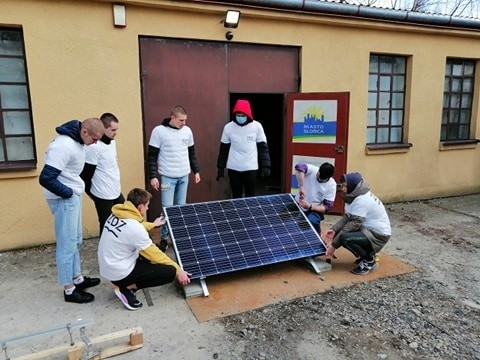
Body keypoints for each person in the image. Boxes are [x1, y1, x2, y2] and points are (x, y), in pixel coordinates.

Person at [39, 117, 104, 303]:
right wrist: (68, 193)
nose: (95, 143)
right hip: (64, 200)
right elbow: (46, 178)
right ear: (84, 132)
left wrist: (73, 192)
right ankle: (69, 290)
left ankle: (77, 279)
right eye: (94, 138)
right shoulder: (63, 146)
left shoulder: (77, 142)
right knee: (66, 244)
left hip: (72, 197)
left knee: (75, 240)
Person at [97, 188, 191, 310]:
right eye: (147, 206)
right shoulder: (134, 228)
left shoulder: (118, 213)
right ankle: (127, 288)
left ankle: (123, 282)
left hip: (109, 265)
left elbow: (134, 227)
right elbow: (154, 254)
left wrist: (153, 224)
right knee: (169, 272)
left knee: (148, 250)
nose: (147, 209)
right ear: (140, 207)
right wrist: (178, 270)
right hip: (118, 272)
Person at [147, 105, 201, 250]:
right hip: (167, 178)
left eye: (185, 120)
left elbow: (191, 153)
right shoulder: (159, 131)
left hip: (184, 176)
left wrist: (196, 171)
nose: (184, 123)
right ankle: (164, 238)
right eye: (181, 120)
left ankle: (178, 237)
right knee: (167, 209)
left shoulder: (187, 131)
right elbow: (152, 156)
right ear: (172, 118)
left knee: (180, 209)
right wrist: (153, 176)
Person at [324, 172, 391, 275]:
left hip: (378, 235)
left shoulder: (362, 200)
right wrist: (334, 229)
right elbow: (348, 217)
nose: (343, 189)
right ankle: (368, 254)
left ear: (352, 186)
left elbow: (354, 223)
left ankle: (369, 261)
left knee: (345, 238)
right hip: (367, 230)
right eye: (342, 185)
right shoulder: (352, 196)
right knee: (339, 234)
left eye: (345, 186)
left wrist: (333, 246)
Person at [216, 99, 271, 198]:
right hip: (233, 168)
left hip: (250, 168)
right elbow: (224, 149)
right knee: (236, 197)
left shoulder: (257, 127)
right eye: (238, 116)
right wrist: (220, 167)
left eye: (243, 116)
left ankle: (249, 213)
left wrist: (266, 165)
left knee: (250, 197)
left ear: (248, 115)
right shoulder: (228, 127)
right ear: (234, 115)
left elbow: (263, 148)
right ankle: (238, 214)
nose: (240, 118)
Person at [80, 113, 124, 235]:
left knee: (127, 218)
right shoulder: (94, 147)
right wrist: (90, 193)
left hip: (115, 190)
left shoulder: (112, 142)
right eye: (113, 130)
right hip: (102, 193)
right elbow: (86, 174)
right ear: (103, 129)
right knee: (106, 225)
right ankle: (105, 252)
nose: (116, 133)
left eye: (117, 129)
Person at [294, 162, 336, 233]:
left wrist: (310, 206)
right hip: (298, 203)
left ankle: (317, 239)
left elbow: (327, 207)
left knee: (312, 221)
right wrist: (301, 186)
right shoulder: (313, 170)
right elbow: (299, 167)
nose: (319, 179)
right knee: (286, 219)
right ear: (318, 171)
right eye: (318, 176)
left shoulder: (332, 185)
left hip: (313, 209)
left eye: (322, 179)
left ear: (329, 177)